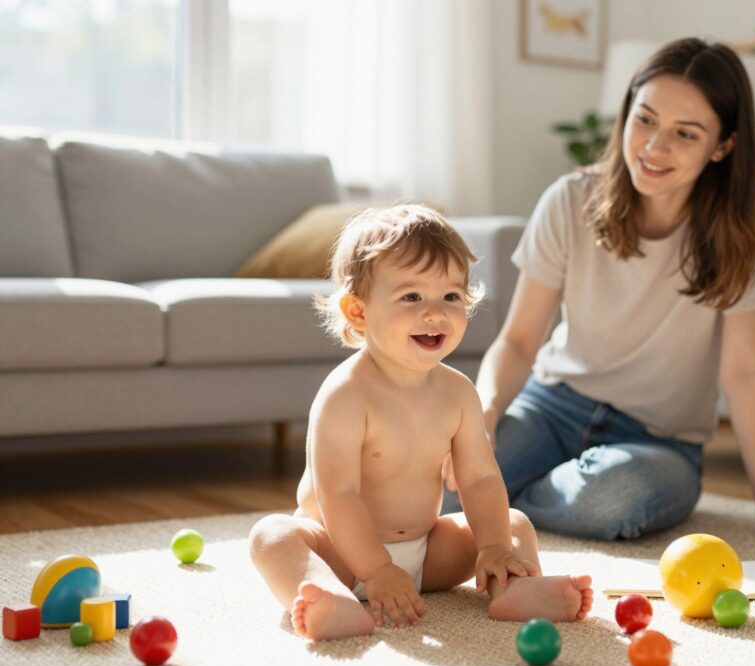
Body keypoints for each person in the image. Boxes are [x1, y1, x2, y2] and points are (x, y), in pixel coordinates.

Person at [444, 38, 755, 544]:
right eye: (645, 119)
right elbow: (519, 341)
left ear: (723, 146)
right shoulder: (569, 200)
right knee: (444, 485)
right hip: (551, 409)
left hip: (659, 441)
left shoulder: (747, 224)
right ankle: (511, 492)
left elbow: (746, 372)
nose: (654, 146)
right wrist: (486, 414)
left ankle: (504, 499)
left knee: (614, 500)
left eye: (685, 133)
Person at [249, 205, 593, 641]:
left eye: (450, 297)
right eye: (412, 297)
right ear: (358, 311)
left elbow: (480, 478)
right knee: (272, 537)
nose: (435, 313)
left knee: (512, 523)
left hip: (427, 551)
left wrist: (492, 547)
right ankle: (327, 597)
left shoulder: (458, 392)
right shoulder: (345, 395)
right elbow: (339, 495)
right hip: (341, 553)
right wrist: (376, 570)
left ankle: (514, 588)